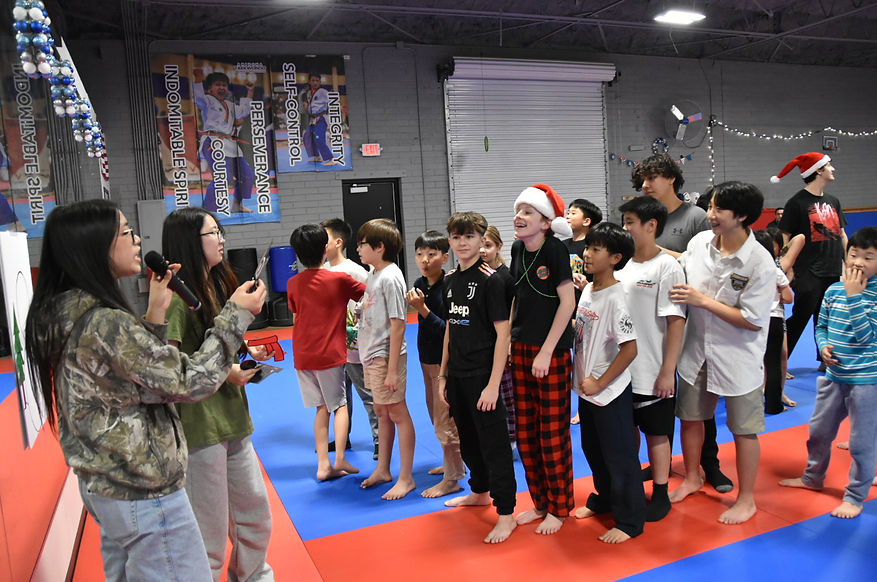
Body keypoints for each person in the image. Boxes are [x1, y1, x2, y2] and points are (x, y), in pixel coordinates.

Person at [25, 199, 265, 581]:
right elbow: (187, 381)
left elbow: (135, 381)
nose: (137, 240)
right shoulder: (104, 322)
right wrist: (235, 316)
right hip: (140, 484)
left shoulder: (65, 313)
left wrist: (154, 314)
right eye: (125, 233)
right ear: (96, 247)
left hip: (109, 482)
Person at [162, 207, 274, 581]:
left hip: (233, 420)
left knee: (255, 516)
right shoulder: (177, 300)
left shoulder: (216, 285)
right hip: (200, 427)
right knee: (207, 535)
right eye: (213, 233)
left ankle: (253, 575)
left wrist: (244, 356)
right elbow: (174, 367)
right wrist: (229, 373)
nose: (222, 239)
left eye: (220, 231)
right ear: (191, 243)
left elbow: (218, 344)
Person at [668, 181, 775, 525]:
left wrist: (703, 301)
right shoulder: (699, 243)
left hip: (738, 355)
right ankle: (692, 477)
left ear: (742, 216)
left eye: (718, 209)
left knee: (744, 429)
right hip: (695, 350)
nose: (710, 215)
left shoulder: (759, 262)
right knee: (691, 417)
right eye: (710, 207)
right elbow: (679, 265)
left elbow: (752, 321)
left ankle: (746, 499)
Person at [634, 157, 731, 494]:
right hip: (650, 323)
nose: (646, 185)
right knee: (655, 398)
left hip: (690, 319)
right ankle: (661, 465)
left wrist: (657, 252)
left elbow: (707, 264)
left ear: (672, 179)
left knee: (696, 399)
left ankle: (710, 464)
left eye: (653, 178)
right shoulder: (644, 216)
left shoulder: (695, 218)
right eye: (643, 179)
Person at [779, 227, 877, 519]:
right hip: (834, 377)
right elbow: (821, 326)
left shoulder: (868, 295)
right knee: (818, 432)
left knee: (862, 441)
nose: (858, 262)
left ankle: (856, 495)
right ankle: (812, 477)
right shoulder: (834, 291)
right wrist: (822, 347)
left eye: (868, 257)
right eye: (854, 254)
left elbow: (866, 338)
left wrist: (855, 297)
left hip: (867, 381)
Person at [438, 212, 518, 544]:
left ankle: (506, 513)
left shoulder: (493, 279)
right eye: (456, 238)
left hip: (484, 376)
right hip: (457, 374)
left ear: (481, 239)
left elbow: (503, 335)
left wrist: (493, 384)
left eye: (469, 237)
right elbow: (449, 331)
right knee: (467, 441)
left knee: (494, 445)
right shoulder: (449, 280)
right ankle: (480, 491)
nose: (462, 244)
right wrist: (443, 375)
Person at [571, 222, 645, 543]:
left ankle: (629, 521)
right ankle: (604, 500)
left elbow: (630, 348)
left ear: (615, 257)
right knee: (593, 450)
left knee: (620, 456)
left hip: (609, 391)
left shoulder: (617, 297)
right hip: (587, 389)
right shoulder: (589, 288)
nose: (587, 254)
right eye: (588, 247)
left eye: (595, 249)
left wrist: (600, 382)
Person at [509, 184, 576, 535]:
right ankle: (539, 502)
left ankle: (560, 506)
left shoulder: (555, 250)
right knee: (525, 434)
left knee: (551, 434)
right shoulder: (517, 248)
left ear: (547, 222)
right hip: (521, 348)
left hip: (550, 351)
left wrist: (548, 350)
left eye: (528, 212)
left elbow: (567, 303)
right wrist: (509, 341)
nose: (519, 216)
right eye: (518, 210)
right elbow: (516, 298)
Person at [617, 197, 686, 522]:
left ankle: (660, 492)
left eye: (630, 222)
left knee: (657, 433)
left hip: (653, 366)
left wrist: (667, 371)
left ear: (651, 225)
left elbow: (676, 321)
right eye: (625, 222)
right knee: (625, 429)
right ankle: (630, 486)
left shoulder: (667, 267)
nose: (626, 228)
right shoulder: (621, 264)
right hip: (620, 368)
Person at [287, 224, 365, 480]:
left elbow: (296, 315)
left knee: (322, 408)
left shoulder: (293, 283)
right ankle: (340, 458)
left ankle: (323, 465)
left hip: (302, 355)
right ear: (324, 249)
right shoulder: (339, 279)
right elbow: (369, 292)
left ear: (297, 254)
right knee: (340, 405)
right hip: (328, 354)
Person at [357, 218, 417, 500]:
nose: (358, 249)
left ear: (379, 247)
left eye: (362, 244)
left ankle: (406, 477)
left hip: (384, 356)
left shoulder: (391, 276)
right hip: (371, 354)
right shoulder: (374, 273)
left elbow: (398, 324)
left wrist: (392, 370)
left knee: (397, 412)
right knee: (381, 411)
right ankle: (383, 468)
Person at [405, 230, 466, 498]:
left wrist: (423, 310)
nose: (425, 260)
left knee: (445, 420)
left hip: (445, 364)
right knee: (435, 416)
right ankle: (454, 462)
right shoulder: (420, 283)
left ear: (445, 256)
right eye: (420, 254)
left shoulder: (449, 287)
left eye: (431, 254)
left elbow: (449, 331)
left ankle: (453, 479)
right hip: (426, 359)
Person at [772, 153, 848, 367]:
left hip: (833, 270)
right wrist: (785, 267)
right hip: (808, 271)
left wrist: (849, 261)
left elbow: (841, 234)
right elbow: (784, 237)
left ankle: (825, 358)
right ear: (818, 171)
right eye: (829, 165)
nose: (833, 169)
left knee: (828, 318)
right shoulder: (796, 203)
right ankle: (778, 363)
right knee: (800, 317)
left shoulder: (834, 201)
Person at [321, 218, 380, 460]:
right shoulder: (321, 271)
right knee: (338, 396)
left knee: (366, 393)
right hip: (331, 346)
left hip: (355, 344)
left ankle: (380, 439)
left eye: (324, 238)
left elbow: (371, 302)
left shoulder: (355, 271)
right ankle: (343, 437)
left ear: (338, 242)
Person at [193, 69, 255, 214]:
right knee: (223, 177)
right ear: (210, 88)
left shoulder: (229, 104)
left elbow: (245, 110)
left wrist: (250, 91)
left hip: (229, 143)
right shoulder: (207, 101)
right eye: (217, 85)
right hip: (213, 142)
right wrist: (197, 80)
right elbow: (198, 98)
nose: (221, 87)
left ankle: (237, 205)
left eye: (224, 85)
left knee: (247, 175)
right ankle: (208, 212)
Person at [565, 198, 602, 426]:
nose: (568, 216)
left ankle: (586, 405)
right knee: (575, 360)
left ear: (587, 221)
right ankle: (579, 401)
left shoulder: (592, 247)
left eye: (573, 212)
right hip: (568, 309)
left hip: (587, 308)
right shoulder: (564, 244)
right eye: (567, 212)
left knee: (588, 359)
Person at [480, 225, 516, 444]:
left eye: (488, 246)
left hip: (502, 341)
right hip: (484, 342)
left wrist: (509, 342)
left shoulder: (505, 277)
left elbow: (513, 311)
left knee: (507, 393)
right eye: (481, 246)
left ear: (498, 247)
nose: (483, 251)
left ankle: (512, 436)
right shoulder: (478, 274)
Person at [753, 229, 794, 415]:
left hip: (752, 318)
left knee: (752, 362)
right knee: (773, 363)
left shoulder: (746, 269)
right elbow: (789, 297)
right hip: (773, 319)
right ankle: (773, 405)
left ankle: (750, 404)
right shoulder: (774, 270)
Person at [302, 73, 338, 166]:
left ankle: (331, 159)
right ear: (310, 82)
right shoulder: (310, 93)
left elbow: (331, 101)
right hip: (313, 119)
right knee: (307, 136)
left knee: (319, 139)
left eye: (317, 81)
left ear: (320, 82)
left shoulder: (323, 91)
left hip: (321, 118)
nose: (315, 82)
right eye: (313, 80)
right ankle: (317, 156)